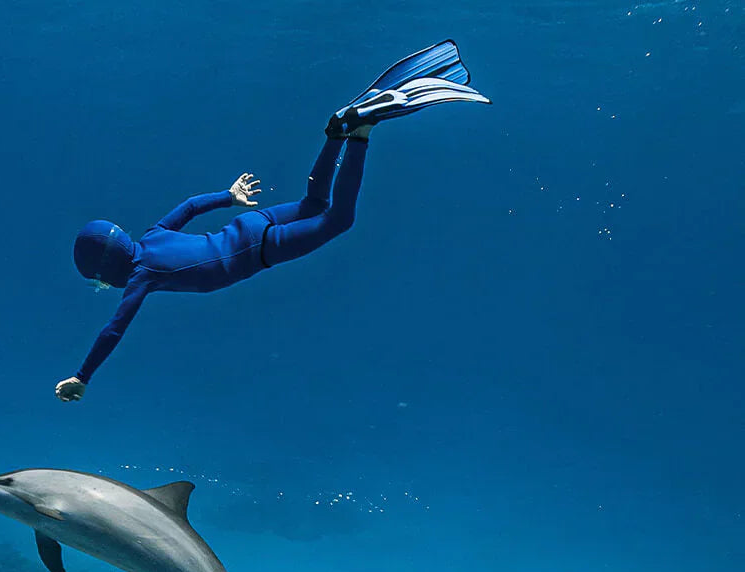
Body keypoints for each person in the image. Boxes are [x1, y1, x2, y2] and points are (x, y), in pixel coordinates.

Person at [54, 41, 489, 401]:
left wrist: (83, 375)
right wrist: (229, 196)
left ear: (107, 270)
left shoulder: (142, 276)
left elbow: (115, 328)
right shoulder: (150, 237)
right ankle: (336, 132)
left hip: (255, 250)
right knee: (315, 201)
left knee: (339, 219)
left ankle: (359, 132)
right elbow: (187, 207)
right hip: (249, 226)